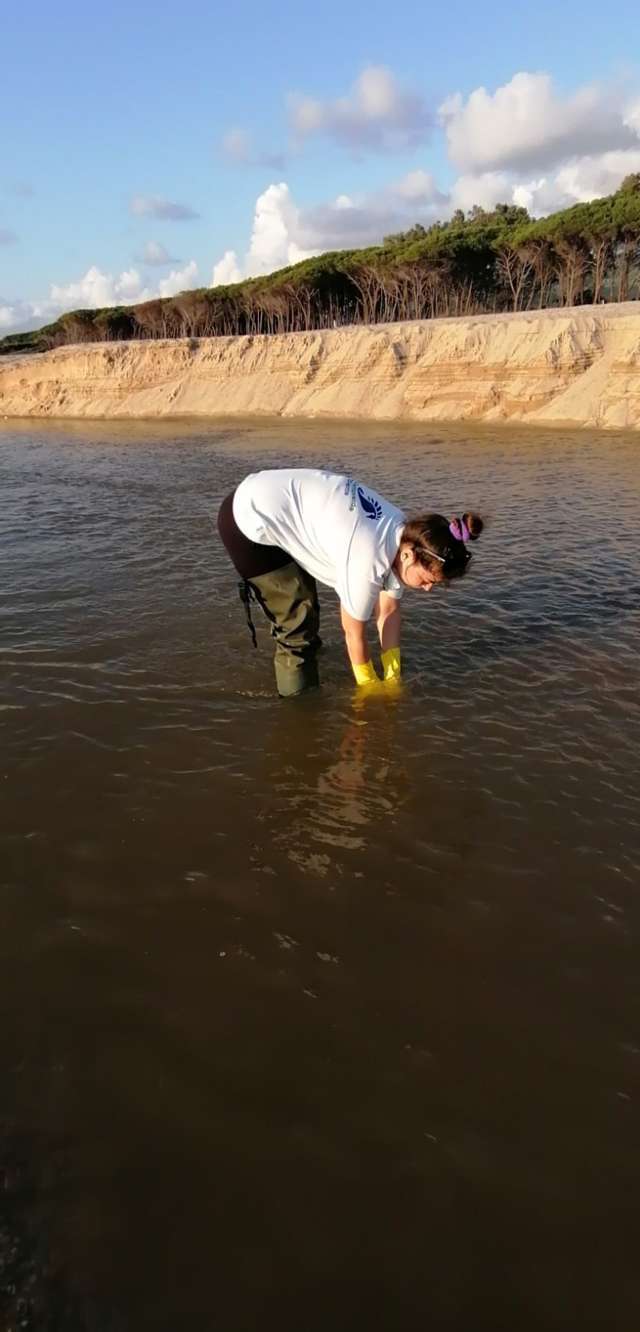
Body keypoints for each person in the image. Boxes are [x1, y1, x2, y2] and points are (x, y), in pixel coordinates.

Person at [217, 468, 483, 698]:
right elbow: (353, 631)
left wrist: (392, 676)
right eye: (427, 581)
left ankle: (309, 660)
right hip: (247, 520)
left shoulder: (406, 534)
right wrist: (368, 685)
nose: (426, 589)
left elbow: (388, 611)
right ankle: (300, 708)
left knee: (306, 608)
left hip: (281, 504)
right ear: (409, 555)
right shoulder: (367, 557)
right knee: (296, 628)